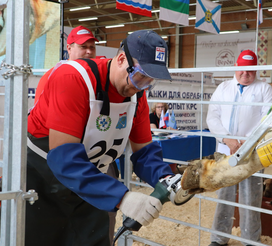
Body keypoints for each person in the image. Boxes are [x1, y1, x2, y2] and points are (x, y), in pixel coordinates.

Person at [25, 30, 175, 246]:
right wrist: (122, 197)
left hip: (90, 178)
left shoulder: (137, 94)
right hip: (42, 177)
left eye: (151, 80)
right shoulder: (73, 78)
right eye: (140, 75)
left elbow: (144, 152)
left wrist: (165, 179)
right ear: (122, 59)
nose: (143, 85)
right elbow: (64, 159)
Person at [206, 49, 272, 246]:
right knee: (224, 196)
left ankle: (250, 240)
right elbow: (212, 116)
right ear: (236, 67)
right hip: (224, 150)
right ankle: (219, 239)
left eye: (250, 71)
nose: (246, 74)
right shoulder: (223, 88)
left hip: (252, 152)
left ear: (256, 71)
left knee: (251, 198)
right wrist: (227, 139)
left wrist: (247, 141)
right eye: (242, 70)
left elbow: (267, 119)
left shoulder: (264, 89)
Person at [34, 25, 98, 103]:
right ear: (69, 48)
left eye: (92, 47)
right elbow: (38, 111)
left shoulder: (98, 75)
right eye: (83, 47)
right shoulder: (51, 76)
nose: (89, 51)